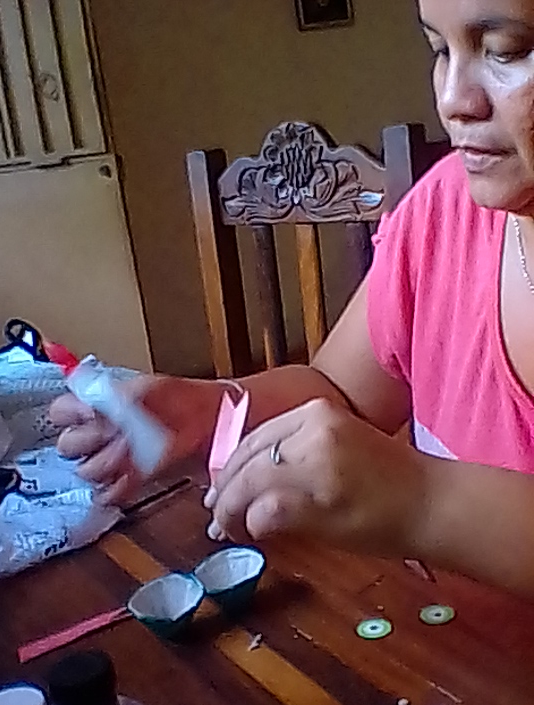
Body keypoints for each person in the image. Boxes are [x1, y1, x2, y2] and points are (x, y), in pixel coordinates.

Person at [51, 0, 534, 598]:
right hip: (443, 638)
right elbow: (340, 394)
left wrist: (424, 501)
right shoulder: (442, 213)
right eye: (439, 50)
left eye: (506, 50)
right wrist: (208, 412)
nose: (453, 100)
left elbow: (415, 495)